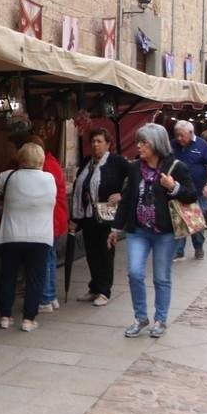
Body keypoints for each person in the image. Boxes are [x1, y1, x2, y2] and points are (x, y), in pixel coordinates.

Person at [109, 123, 197, 339]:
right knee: (135, 273)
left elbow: (192, 195)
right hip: (138, 231)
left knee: (161, 277)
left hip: (164, 233)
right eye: (138, 141)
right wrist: (115, 227)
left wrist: (173, 187)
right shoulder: (135, 167)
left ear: (156, 144)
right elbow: (127, 198)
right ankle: (140, 317)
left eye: (143, 142)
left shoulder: (176, 167)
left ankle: (160, 319)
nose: (139, 146)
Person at [0, 143, 56, 332]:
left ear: (20, 159)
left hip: (11, 236)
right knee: (35, 279)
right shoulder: (49, 178)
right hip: (40, 237)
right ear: (41, 160)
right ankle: (28, 320)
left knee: (8, 276)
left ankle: (5, 317)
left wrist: (2, 195)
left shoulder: (10, 176)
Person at [69, 128, 130, 306]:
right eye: (93, 141)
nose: (95, 145)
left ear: (108, 144)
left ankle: (105, 290)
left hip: (107, 216)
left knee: (105, 253)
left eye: (99, 141)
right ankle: (94, 287)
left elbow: (135, 178)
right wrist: (75, 218)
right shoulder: (88, 161)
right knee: (92, 253)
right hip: (88, 215)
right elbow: (80, 186)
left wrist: (122, 194)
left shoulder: (116, 161)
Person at [24, 135, 68, 313]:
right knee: (50, 257)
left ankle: (45, 298)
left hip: (51, 219)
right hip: (56, 218)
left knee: (45, 259)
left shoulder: (46, 166)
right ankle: (51, 297)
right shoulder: (52, 162)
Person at [171, 120, 207, 261]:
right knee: (180, 220)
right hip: (178, 190)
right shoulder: (172, 145)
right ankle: (179, 251)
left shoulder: (202, 145)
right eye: (177, 135)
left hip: (198, 191)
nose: (179, 138)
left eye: (182, 135)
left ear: (191, 133)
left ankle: (198, 246)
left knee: (196, 222)